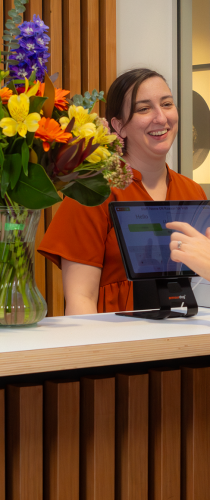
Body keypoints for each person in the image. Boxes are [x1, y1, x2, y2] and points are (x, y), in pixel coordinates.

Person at [38, 68, 207, 315]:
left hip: (183, 337)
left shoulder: (192, 192)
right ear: (119, 126)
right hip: (119, 342)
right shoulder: (93, 193)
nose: (161, 117)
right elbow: (80, 299)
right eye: (144, 109)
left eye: (167, 104)